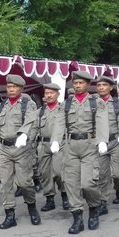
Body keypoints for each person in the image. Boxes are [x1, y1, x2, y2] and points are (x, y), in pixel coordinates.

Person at [50, 71, 109, 234]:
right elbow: (60, 122)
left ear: (87, 84)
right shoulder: (67, 104)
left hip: (89, 145)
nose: (77, 86)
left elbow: (102, 121)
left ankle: (94, 208)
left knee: (88, 183)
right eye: (75, 83)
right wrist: (55, 139)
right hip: (70, 145)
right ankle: (77, 218)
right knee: (71, 183)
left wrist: (103, 140)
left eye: (81, 83)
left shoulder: (96, 103)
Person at [0, 75, 40, 229]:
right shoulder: (1, 107)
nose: (10, 89)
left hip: (21, 149)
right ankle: (10, 214)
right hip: (4, 150)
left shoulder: (28, 104)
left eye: (14, 87)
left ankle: (31, 206)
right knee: (6, 183)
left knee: (25, 183)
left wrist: (23, 134)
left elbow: (31, 120)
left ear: (21, 89)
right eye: (9, 87)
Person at [95, 76, 119, 214]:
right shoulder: (93, 102)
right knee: (102, 174)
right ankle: (103, 201)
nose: (101, 87)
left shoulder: (118, 103)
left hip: (115, 142)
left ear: (111, 88)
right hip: (100, 143)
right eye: (98, 85)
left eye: (104, 85)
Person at [34, 83, 70, 212]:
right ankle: (49, 199)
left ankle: (65, 195)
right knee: (45, 173)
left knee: (59, 172)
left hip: (60, 144)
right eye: (47, 93)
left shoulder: (64, 110)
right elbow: (34, 128)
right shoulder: (40, 112)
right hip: (43, 144)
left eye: (52, 93)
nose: (48, 95)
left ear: (58, 94)